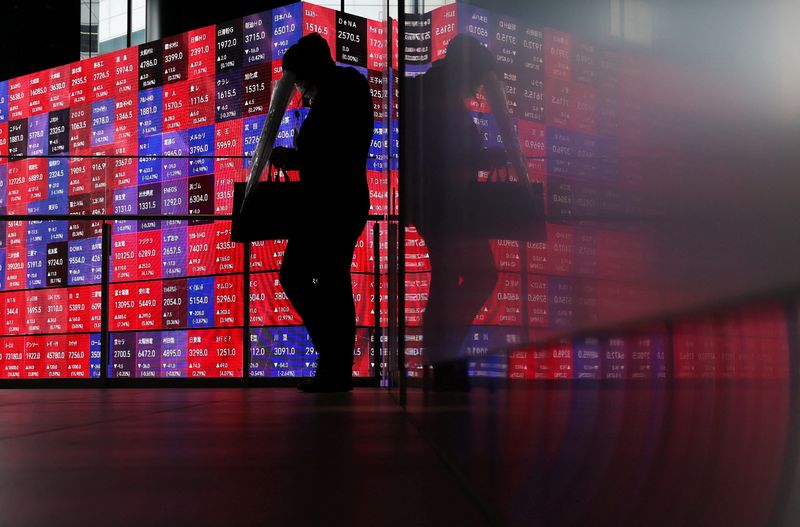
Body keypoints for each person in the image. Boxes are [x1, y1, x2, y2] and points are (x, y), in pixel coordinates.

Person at [269, 33, 374, 392]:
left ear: (309, 71)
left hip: (329, 205)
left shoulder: (336, 94)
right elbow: (342, 150)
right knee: (331, 282)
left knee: (302, 277)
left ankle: (333, 361)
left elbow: (333, 154)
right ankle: (334, 363)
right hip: (339, 203)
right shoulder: (348, 87)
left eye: (298, 79)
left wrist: (294, 157)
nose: (297, 88)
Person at [409, 34, 509, 391]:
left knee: (447, 283)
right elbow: (447, 155)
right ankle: (444, 354)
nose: (479, 86)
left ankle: (443, 354)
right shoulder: (441, 98)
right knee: (474, 277)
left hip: (437, 205)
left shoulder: (430, 91)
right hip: (449, 206)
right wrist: (485, 157)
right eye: (478, 76)